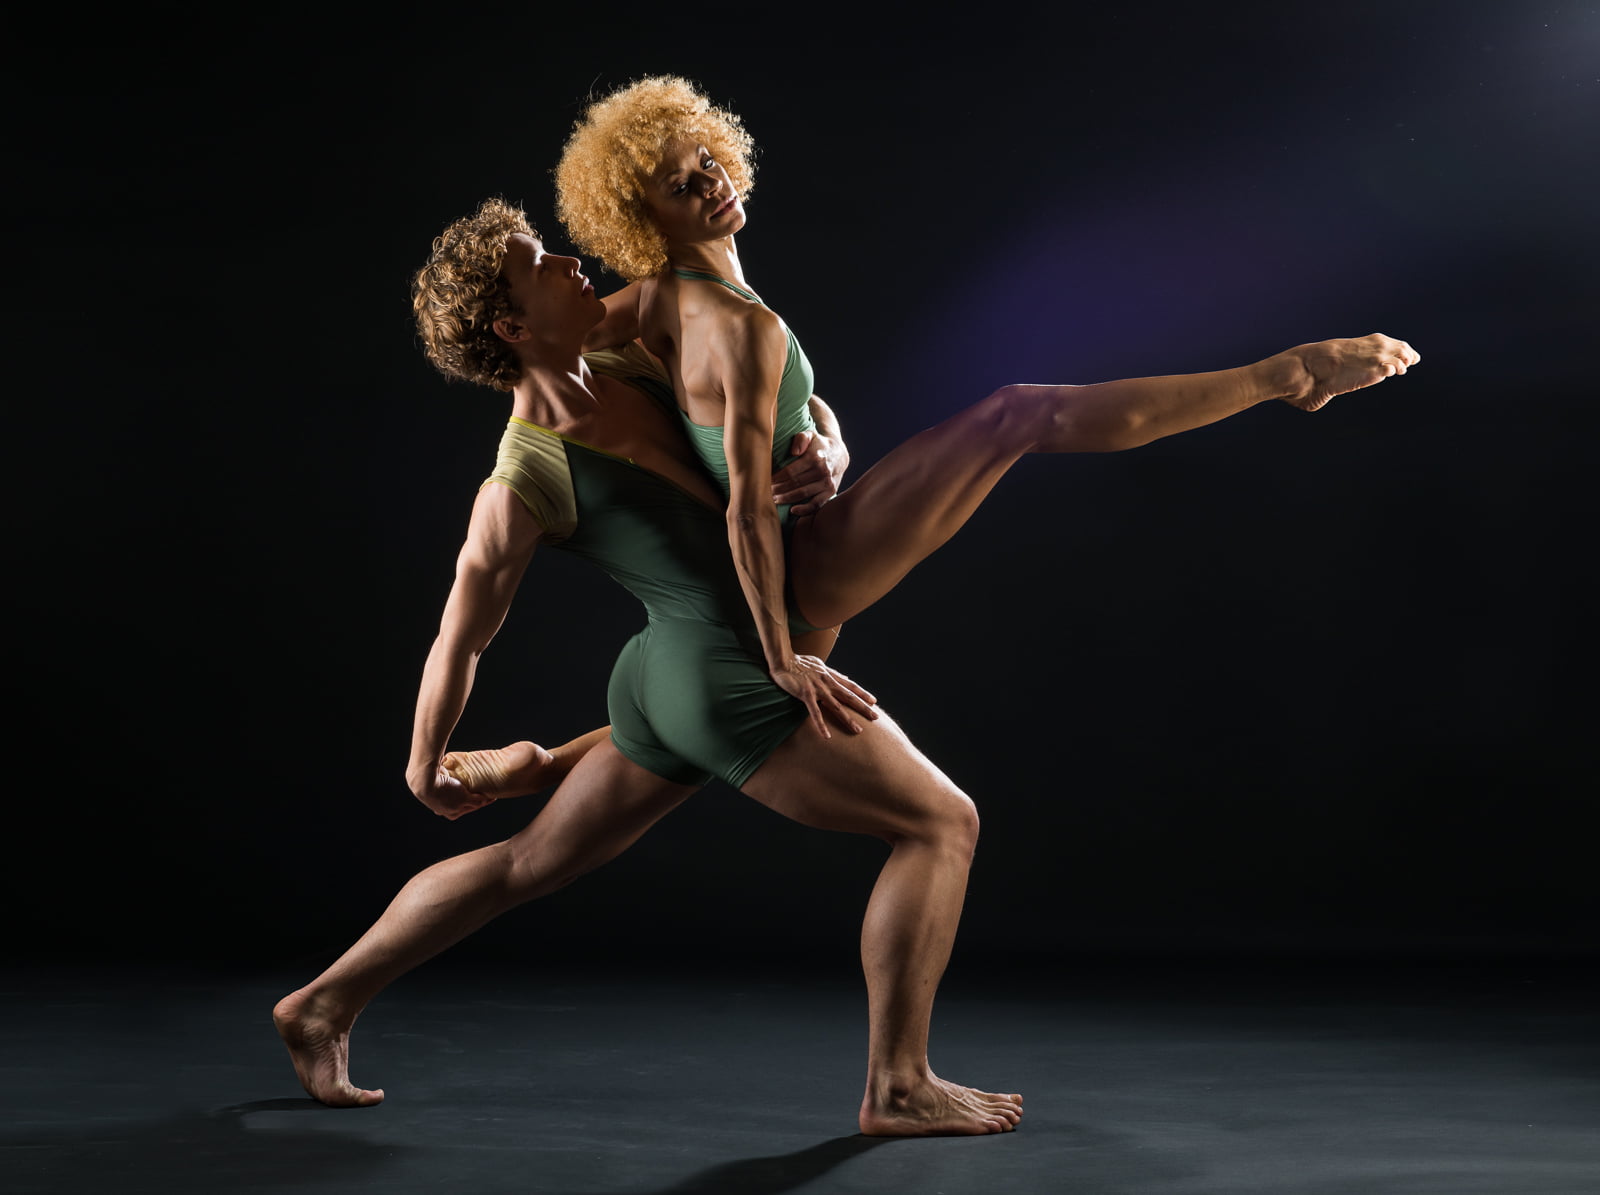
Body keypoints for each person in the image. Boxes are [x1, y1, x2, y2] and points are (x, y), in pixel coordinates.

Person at [272, 197, 1026, 1136]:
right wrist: (425, 762)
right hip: (726, 681)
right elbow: (461, 634)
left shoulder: (633, 354)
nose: (570, 263)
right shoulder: (525, 475)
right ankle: (899, 1086)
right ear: (512, 328)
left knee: (524, 863)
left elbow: (783, 392)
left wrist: (830, 447)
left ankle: (320, 1004)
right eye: (542, 265)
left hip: (663, 677)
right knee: (941, 823)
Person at [548, 74, 1422, 729]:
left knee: (562, 836)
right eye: (680, 185)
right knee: (1018, 413)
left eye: (705, 160)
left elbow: (782, 401)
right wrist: (781, 659)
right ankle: (1286, 375)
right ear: (643, 220)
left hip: (799, 555)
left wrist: (831, 441)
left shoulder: (689, 302)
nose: (710, 182)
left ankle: (510, 774)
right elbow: (731, 493)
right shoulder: (695, 314)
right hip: (796, 574)